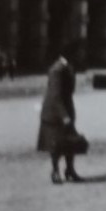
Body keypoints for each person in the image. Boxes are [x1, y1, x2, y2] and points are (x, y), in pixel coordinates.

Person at [37, 46, 82, 184]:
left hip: (65, 108)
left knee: (69, 140)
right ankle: (55, 171)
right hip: (55, 112)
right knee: (55, 144)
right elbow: (55, 95)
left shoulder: (68, 67)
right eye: (77, 52)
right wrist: (64, 116)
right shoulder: (57, 69)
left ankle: (70, 169)